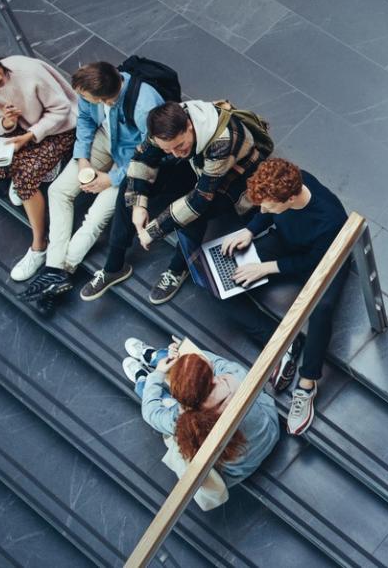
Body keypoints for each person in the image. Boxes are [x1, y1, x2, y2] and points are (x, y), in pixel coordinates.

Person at [80, 100, 269, 305]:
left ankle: (178, 269)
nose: (176, 153)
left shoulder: (222, 141)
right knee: (130, 184)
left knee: (197, 215)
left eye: (179, 145)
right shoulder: (164, 125)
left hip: (235, 177)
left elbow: (199, 200)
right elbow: (143, 158)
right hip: (198, 163)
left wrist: (153, 230)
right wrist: (138, 205)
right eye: (168, 149)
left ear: (189, 125)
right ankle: (113, 266)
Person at [17, 62, 164, 309]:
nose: (81, 99)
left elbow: (151, 154)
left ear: (105, 100)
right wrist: (83, 159)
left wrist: (112, 179)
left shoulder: (145, 107)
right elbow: (85, 120)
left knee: (96, 216)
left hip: (132, 157)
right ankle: (54, 269)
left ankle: (60, 272)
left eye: (86, 98)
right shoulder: (90, 88)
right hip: (104, 139)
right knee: (58, 191)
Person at [222, 158, 348, 435]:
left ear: (291, 199)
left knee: (321, 308)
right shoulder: (289, 184)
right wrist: (250, 229)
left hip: (324, 259)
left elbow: (314, 261)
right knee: (223, 287)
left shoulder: (330, 219)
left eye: (268, 205)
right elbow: (267, 212)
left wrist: (265, 268)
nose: (262, 208)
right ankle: (281, 345)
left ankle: (307, 383)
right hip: (287, 244)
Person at [0, 45, 77, 282]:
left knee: (24, 181)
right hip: (20, 130)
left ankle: (39, 246)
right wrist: (7, 123)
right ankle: (42, 168)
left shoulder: (28, 71)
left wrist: (30, 135)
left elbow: (62, 109)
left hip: (60, 128)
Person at [122, 336, 279, 490]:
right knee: (187, 367)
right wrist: (187, 352)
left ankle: (144, 379)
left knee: (162, 398)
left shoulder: (184, 421)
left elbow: (151, 413)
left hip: (237, 471)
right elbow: (212, 363)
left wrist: (158, 374)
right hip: (271, 432)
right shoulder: (237, 378)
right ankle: (154, 358)